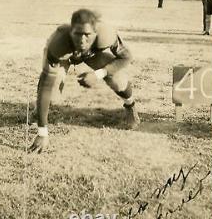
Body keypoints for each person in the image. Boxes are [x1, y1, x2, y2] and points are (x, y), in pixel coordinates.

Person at [29, 9, 140, 153]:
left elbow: (126, 56)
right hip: (66, 56)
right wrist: (42, 133)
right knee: (52, 92)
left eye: (87, 35)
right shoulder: (58, 43)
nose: (82, 40)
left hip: (92, 55)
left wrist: (99, 74)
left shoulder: (105, 35)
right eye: (77, 34)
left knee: (118, 79)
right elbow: (45, 85)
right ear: (70, 32)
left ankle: (130, 105)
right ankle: (39, 111)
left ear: (95, 32)